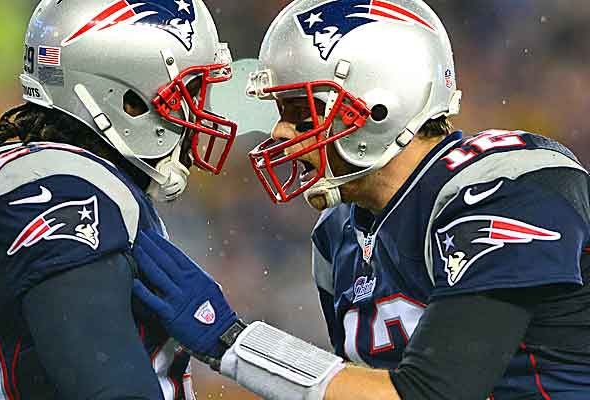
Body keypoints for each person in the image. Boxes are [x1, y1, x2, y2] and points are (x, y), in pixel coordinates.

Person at [132, 0, 590, 399]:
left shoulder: (507, 185)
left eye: (301, 111)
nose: (280, 132)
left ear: (379, 107)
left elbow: (434, 392)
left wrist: (234, 344)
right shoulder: (337, 235)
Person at [0, 0, 239, 398]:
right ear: (127, 101)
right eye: (187, 94)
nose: (198, 114)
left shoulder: (22, 169)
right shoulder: (59, 188)